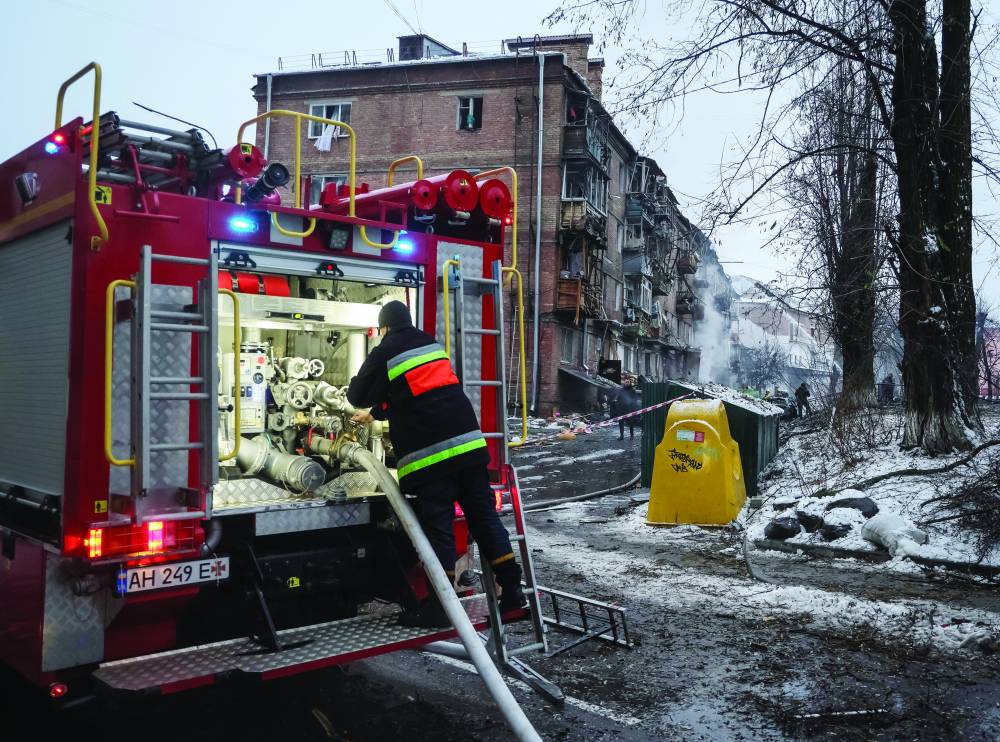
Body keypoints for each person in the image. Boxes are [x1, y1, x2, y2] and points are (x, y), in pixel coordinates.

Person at [347, 301, 527, 628]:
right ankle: (513, 590)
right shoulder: (430, 343)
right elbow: (417, 392)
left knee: (438, 530)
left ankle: (439, 606)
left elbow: (356, 394)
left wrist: (368, 387)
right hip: (469, 448)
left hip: (433, 458)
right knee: (484, 519)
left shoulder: (386, 349)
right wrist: (375, 414)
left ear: (384, 327)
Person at [608, 376, 642, 440]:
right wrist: (615, 401)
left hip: (629, 410)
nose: (627, 383)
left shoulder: (632, 390)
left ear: (630, 383)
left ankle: (631, 436)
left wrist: (633, 407)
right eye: (626, 382)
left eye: (628, 382)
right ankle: (622, 436)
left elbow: (635, 399)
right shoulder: (621, 390)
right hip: (621, 410)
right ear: (624, 383)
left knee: (631, 423)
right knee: (621, 423)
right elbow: (617, 397)